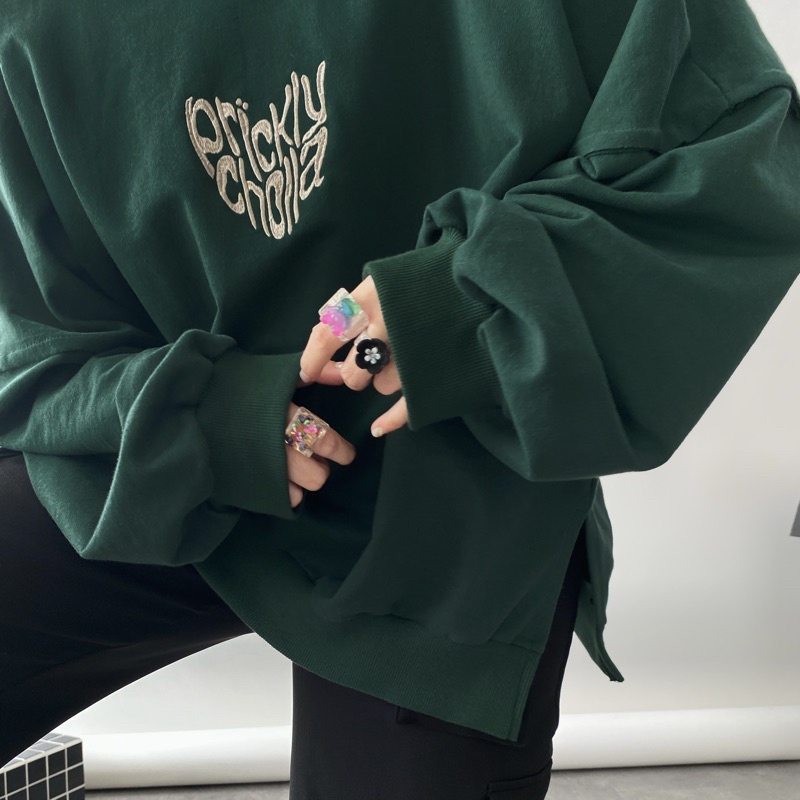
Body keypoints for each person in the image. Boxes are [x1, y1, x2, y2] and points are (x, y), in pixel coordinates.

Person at [1, 1, 799, 797]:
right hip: (152, 461)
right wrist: (218, 420)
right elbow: (30, 341)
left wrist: (460, 303)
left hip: (455, 507)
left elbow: (732, 153)